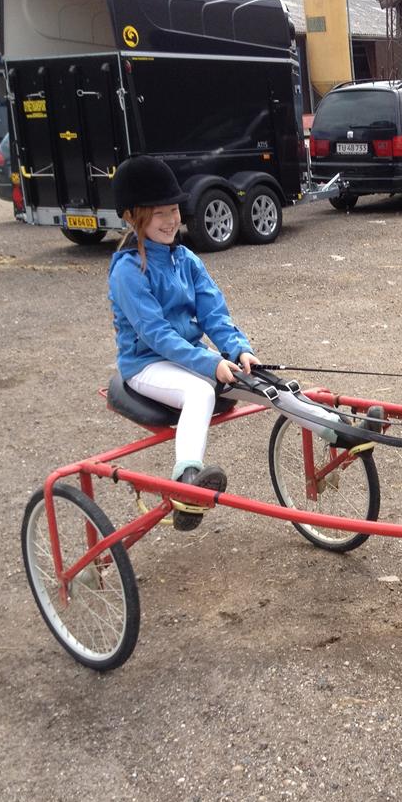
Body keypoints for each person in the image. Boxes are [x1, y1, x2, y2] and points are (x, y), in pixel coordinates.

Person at [107, 156, 381, 530]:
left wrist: (238, 349)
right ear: (132, 216)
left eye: (173, 210)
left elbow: (213, 312)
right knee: (200, 394)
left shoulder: (184, 258)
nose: (172, 220)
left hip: (187, 357)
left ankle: (339, 430)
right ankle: (186, 481)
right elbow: (156, 335)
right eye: (160, 214)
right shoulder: (127, 271)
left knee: (267, 385)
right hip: (146, 365)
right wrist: (209, 364)